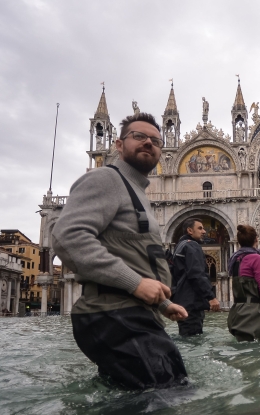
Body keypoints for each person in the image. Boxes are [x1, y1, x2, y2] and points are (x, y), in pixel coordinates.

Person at [52, 112, 189, 390]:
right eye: (138, 136)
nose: (148, 143)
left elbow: (135, 257)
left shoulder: (136, 191)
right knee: (167, 399)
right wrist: (136, 284)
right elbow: (67, 236)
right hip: (115, 315)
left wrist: (163, 304)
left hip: (130, 315)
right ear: (118, 144)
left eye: (155, 140)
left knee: (140, 401)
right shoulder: (106, 179)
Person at [171, 218, 220, 337]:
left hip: (182, 302)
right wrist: (211, 297)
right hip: (191, 303)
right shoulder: (192, 246)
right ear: (189, 230)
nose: (204, 231)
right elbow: (196, 274)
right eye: (200, 228)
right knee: (193, 340)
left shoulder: (180, 246)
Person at [226, 225, 260, 342]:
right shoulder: (256, 258)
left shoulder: (236, 258)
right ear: (256, 240)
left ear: (239, 242)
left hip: (237, 312)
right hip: (251, 314)